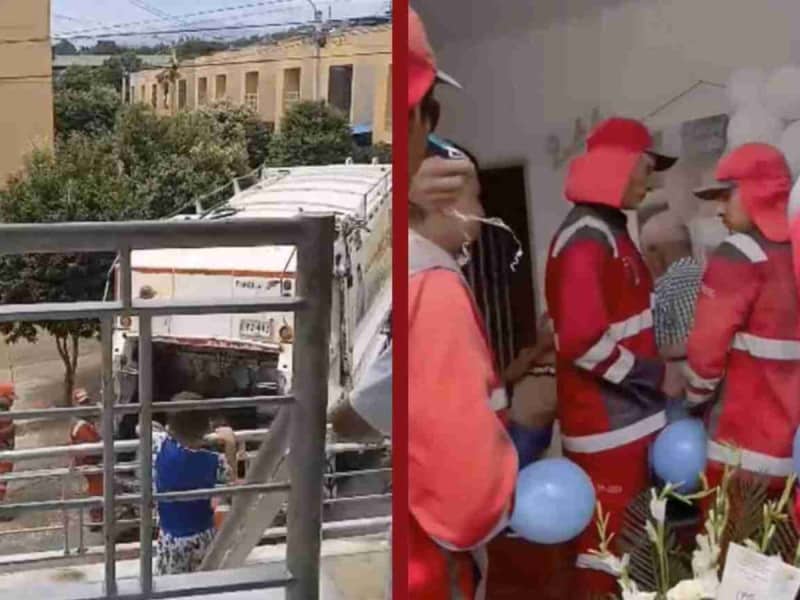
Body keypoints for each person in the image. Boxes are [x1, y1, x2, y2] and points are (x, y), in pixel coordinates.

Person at [545, 117, 676, 598]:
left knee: (636, 544)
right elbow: (581, 341)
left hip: (629, 422)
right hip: (607, 428)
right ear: (619, 165)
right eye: (647, 168)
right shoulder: (587, 237)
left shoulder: (609, 230)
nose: (650, 182)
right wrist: (654, 376)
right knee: (609, 551)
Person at [686, 143, 800, 494]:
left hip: (742, 448)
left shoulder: (737, 254)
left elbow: (705, 352)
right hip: (793, 453)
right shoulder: (795, 253)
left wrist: (694, 397)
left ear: (757, 192)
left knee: (728, 531)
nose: (719, 210)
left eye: (726, 196)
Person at [152, 394, 237, 575]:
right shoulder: (213, 462)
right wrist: (230, 445)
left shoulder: (159, 446)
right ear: (206, 427)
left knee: (170, 584)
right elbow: (232, 483)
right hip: (202, 535)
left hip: (170, 538)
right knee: (203, 581)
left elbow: (141, 429)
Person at [640, 210, 703, 410]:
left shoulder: (664, 289)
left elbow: (688, 344)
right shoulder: (710, 278)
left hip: (683, 396)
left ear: (655, 252)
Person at [69, 388, 104, 528]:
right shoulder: (81, 426)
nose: (86, 405)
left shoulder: (84, 420)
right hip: (90, 461)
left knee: (98, 488)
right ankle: (96, 519)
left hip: (90, 460)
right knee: (97, 489)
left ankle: (98, 516)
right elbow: (92, 446)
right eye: (82, 403)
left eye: (86, 402)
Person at [0, 383, 15, 513]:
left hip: (7, 450)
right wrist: (9, 430)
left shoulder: (6, 411)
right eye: (9, 398)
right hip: (2, 451)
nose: (12, 401)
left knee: (4, 478)